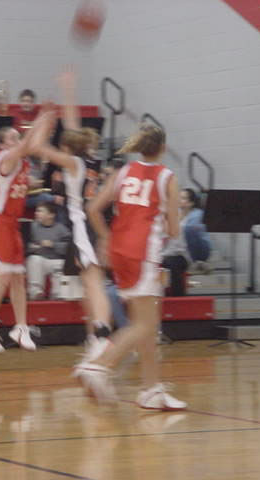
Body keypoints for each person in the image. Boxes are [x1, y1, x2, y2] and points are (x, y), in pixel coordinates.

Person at [78, 123, 187, 411]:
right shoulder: (167, 177)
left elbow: (92, 209)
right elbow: (174, 230)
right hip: (143, 253)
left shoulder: (123, 172)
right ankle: (99, 364)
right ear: (163, 148)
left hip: (120, 251)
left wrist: (105, 238)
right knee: (146, 325)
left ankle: (151, 390)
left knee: (145, 325)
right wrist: (170, 218)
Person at [29, 69, 111, 356]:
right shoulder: (89, 158)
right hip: (88, 225)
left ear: (65, 147)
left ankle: (102, 335)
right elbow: (74, 123)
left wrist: (45, 118)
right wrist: (68, 91)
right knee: (88, 285)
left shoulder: (73, 163)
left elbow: (36, 147)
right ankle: (94, 338)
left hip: (82, 224)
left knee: (93, 283)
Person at [0, 110, 54, 352]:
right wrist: (39, 119)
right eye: (13, 137)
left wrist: (47, 124)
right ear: (2, 145)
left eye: (18, 137)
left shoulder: (22, 160)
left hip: (12, 222)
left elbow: (34, 145)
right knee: (4, 276)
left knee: (18, 277)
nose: (18, 140)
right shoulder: (4, 158)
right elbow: (28, 144)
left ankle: (21, 326)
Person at [26, 202, 70, 300]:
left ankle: (57, 294)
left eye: (40, 211)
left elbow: (69, 247)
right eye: (36, 211)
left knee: (62, 264)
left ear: (51, 215)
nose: (36, 214)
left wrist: (53, 244)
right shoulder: (32, 227)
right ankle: (35, 292)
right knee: (34, 260)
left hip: (56, 260)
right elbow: (25, 245)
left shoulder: (61, 228)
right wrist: (33, 247)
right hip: (40, 259)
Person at [180, 188, 212, 271]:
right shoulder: (176, 213)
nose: (179, 200)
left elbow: (194, 235)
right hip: (179, 249)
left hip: (196, 250)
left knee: (190, 228)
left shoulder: (197, 215)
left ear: (191, 203)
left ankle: (198, 261)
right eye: (178, 197)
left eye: (183, 198)